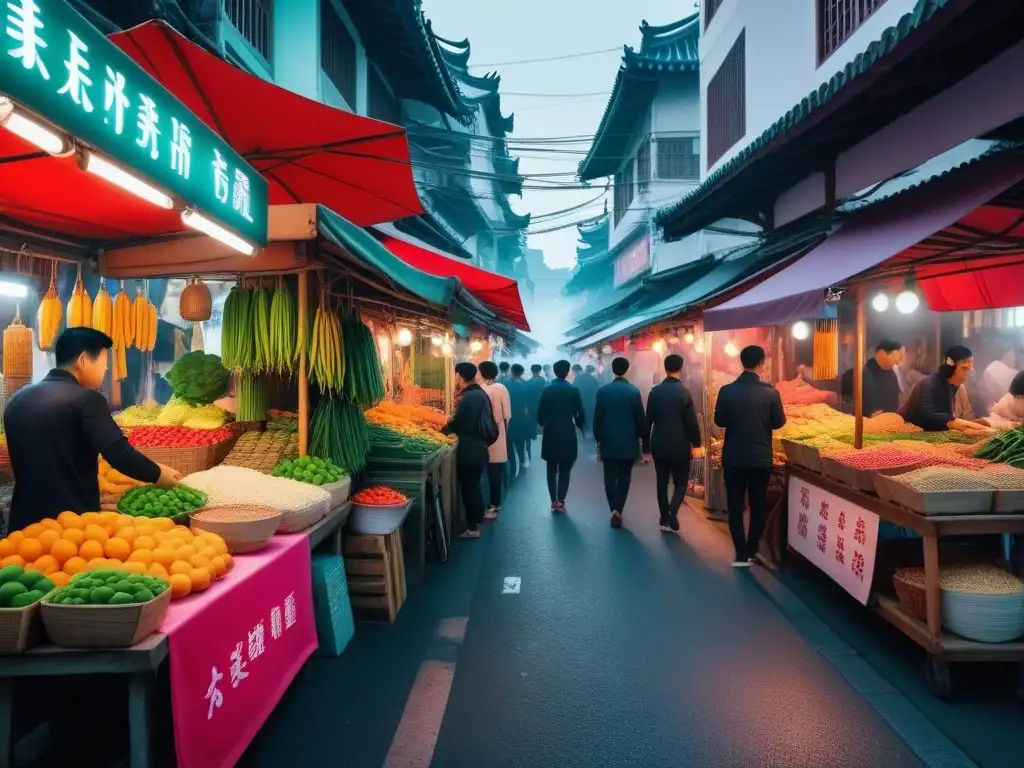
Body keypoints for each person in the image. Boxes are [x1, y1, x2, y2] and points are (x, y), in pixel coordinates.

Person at [3, 328, 181, 531]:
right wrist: (158, 474)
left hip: (22, 525)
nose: (105, 371)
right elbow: (120, 454)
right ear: (83, 360)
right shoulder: (87, 399)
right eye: (104, 364)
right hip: (69, 526)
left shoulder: (18, 399)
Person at [713, 345, 786, 567]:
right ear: (761, 364)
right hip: (759, 458)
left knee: (735, 506)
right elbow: (779, 422)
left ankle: (740, 554)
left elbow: (719, 421)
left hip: (733, 456)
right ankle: (752, 548)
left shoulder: (727, 391)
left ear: (741, 363)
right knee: (757, 505)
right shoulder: (771, 392)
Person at [645, 354, 703, 533]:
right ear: (681, 368)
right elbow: (691, 422)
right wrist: (697, 442)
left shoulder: (655, 392)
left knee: (661, 482)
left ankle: (664, 515)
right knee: (680, 482)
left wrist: (645, 447)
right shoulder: (684, 392)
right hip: (680, 444)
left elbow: (648, 421)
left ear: (665, 369)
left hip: (659, 442)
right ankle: (673, 512)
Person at [592, 357, 646, 529]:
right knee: (624, 476)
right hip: (628, 441)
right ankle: (618, 509)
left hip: (608, 440)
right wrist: (642, 437)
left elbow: (597, 418)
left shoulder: (603, 391)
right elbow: (640, 419)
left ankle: (613, 507)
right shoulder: (634, 392)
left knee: (609, 475)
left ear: (612, 370)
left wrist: (598, 438)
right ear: (627, 369)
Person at [442, 362, 494, 538]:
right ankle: (477, 518)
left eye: (455, 375)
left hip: (469, 449)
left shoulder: (470, 396)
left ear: (458, 376)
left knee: (469, 487)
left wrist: (443, 431)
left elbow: (459, 422)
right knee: (474, 485)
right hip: (479, 447)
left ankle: (473, 527)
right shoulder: (478, 393)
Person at [536, 360, 584, 511]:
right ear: (568, 371)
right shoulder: (574, 390)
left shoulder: (547, 389)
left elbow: (540, 412)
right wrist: (579, 424)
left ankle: (553, 499)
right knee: (565, 467)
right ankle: (561, 500)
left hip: (550, 431)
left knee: (551, 466)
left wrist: (542, 422)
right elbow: (579, 412)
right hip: (567, 431)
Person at [902, 345, 980, 432]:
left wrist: (979, 424)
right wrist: (952, 421)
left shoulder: (959, 388)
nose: (969, 372)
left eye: (970, 368)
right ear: (951, 368)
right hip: (913, 435)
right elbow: (927, 416)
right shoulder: (929, 383)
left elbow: (967, 415)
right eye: (964, 368)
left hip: (942, 436)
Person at [479, 361, 511, 519]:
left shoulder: (481, 389)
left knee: (485, 473)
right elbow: (507, 416)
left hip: (482, 437)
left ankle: (489, 504)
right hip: (498, 435)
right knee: (496, 473)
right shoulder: (501, 388)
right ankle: (495, 504)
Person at [841, 340, 904, 415]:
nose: (899, 361)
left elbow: (894, 402)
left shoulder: (892, 375)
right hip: (864, 423)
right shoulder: (857, 373)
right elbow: (845, 402)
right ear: (883, 353)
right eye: (899, 355)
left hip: (889, 422)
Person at [506, 363, 531, 471]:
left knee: (509, 441)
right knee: (521, 441)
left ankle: (512, 463)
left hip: (509, 417)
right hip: (522, 417)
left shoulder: (505, 384)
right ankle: (522, 461)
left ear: (511, 371)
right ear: (521, 373)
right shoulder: (525, 384)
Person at [524, 364, 546, 459]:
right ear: (540, 371)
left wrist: (526, 408)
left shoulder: (527, 383)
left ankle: (529, 451)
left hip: (531, 408)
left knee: (530, 427)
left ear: (531, 371)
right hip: (542, 407)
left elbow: (525, 397)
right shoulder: (544, 382)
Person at [574, 364, 600, 439]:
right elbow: (597, 390)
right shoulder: (593, 379)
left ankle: (585, 432)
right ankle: (591, 432)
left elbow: (575, 388)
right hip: (591, 402)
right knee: (590, 417)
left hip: (582, 401)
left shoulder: (578, 378)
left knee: (583, 416)